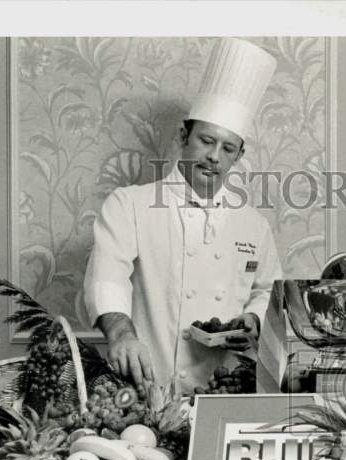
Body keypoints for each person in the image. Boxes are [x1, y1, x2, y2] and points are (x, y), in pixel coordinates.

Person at [84, 38, 281, 396]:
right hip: (150, 392)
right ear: (183, 136)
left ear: (238, 156)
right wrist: (121, 334)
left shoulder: (254, 225)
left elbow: (267, 290)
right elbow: (108, 277)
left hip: (228, 393)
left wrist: (253, 320)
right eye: (206, 140)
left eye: (227, 148)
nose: (214, 157)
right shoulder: (130, 204)